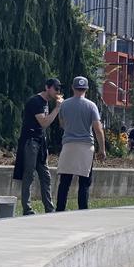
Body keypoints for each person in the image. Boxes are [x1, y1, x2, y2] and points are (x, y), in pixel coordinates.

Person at [55, 76, 105, 211]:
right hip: (86, 146)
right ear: (86, 89)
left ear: (72, 88)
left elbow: (62, 124)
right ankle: (82, 210)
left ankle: (59, 210)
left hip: (69, 144)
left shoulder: (64, 104)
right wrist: (102, 149)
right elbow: (98, 129)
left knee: (64, 181)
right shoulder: (91, 105)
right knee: (84, 182)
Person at [14, 78, 63, 215]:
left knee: (46, 175)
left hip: (40, 142)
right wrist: (58, 108)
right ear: (47, 87)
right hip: (30, 141)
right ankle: (27, 208)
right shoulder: (35, 101)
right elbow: (44, 123)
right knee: (29, 174)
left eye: (59, 89)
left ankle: (49, 208)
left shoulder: (46, 103)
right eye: (56, 88)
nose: (58, 92)